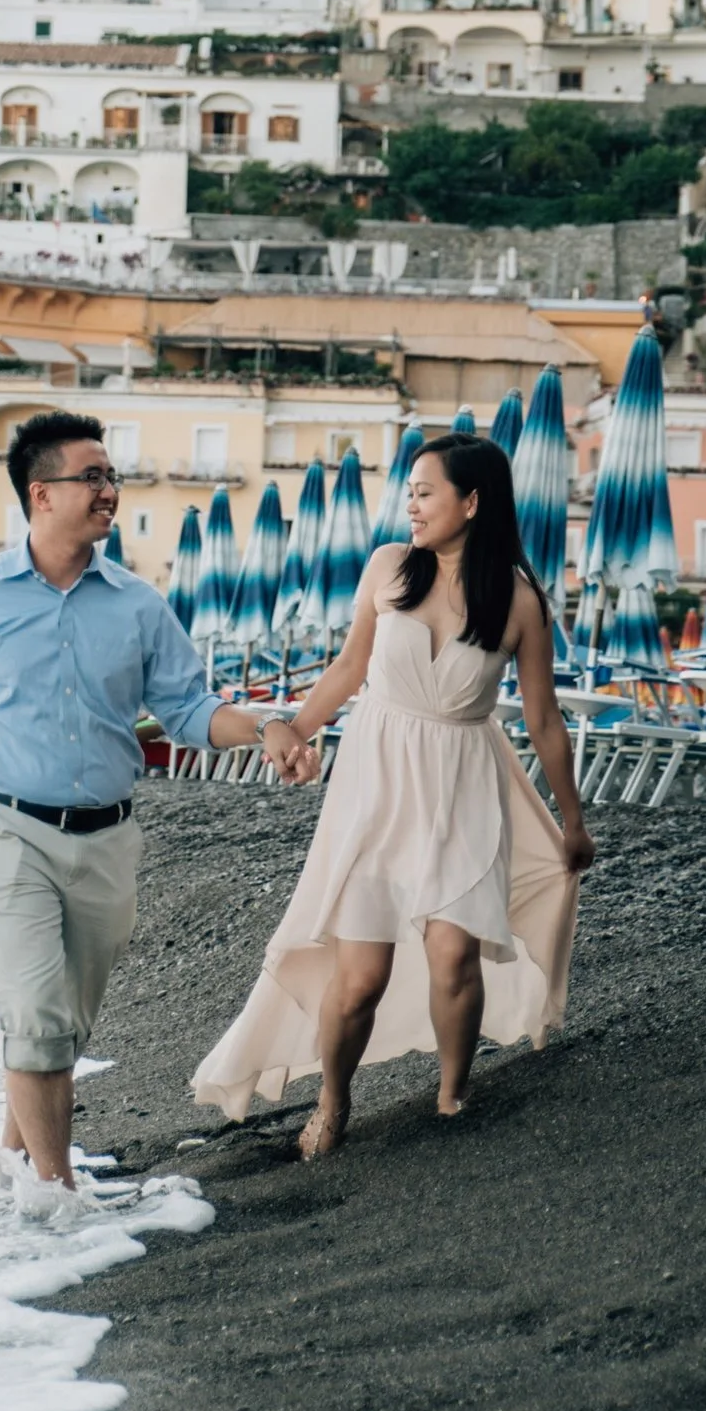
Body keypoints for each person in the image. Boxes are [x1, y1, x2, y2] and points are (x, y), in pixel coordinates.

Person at [0, 407, 272, 1217]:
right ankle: (58, 1198)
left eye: (111, 476)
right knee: (37, 1014)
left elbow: (189, 712)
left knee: (62, 1023)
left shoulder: (139, 605)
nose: (110, 490)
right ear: (41, 494)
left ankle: (11, 1155)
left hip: (107, 836)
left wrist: (266, 727)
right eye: (93, 476)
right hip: (3, 825)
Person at [193, 434, 594, 1159]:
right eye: (409, 490)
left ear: (471, 502)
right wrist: (293, 731)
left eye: (425, 490)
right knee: (360, 978)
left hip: (464, 785)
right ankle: (333, 1097)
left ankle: (451, 1094)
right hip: (376, 783)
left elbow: (544, 721)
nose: (410, 503)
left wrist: (572, 819)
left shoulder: (521, 600)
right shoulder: (388, 566)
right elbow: (350, 668)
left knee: (453, 956)